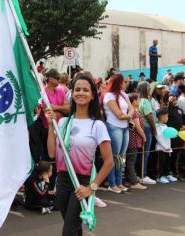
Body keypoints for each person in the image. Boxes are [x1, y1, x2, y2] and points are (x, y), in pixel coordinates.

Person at [45, 75, 113, 236]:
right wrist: (50, 127)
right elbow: (52, 153)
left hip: (82, 182)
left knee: (68, 231)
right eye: (77, 89)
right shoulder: (62, 123)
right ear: (72, 93)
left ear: (92, 95)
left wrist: (91, 188)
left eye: (85, 90)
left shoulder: (97, 125)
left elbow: (109, 160)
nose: (80, 93)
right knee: (73, 227)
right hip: (62, 181)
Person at [102, 74, 133, 193]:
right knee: (114, 157)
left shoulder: (123, 94)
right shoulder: (109, 96)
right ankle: (112, 183)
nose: (126, 83)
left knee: (121, 157)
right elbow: (118, 115)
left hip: (124, 127)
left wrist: (128, 116)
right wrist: (129, 116)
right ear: (118, 83)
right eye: (124, 81)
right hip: (114, 127)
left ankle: (119, 182)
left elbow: (131, 108)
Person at [137, 82, 157, 184]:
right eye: (149, 87)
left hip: (138, 127)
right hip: (146, 128)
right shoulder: (145, 101)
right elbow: (149, 116)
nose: (150, 89)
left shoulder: (138, 100)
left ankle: (139, 174)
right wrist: (154, 128)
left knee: (140, 153)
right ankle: (143, 175)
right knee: (145, 153)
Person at [126, 93, 147, 190]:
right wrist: (144, 136)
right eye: (138, 100)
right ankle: (133, 181)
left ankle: (130, 179)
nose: (139, 102)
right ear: (133, 101)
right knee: (131, 160)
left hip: (134, 139)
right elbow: (138, 127)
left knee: (131, 160)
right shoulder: (133, 112)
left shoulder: (134, 111)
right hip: (133, 139)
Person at [154, 109, 177, 184]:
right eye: (167, 116)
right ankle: (159, 176)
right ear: (162, 117)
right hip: (161, 148)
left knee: (167, 162)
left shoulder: (166, 126)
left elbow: (168, 135)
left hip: (168, 148)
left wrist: (173, 135)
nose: (168, 118)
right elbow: (158, 137)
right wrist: (164, 146)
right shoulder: (157, 126)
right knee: (161, 163)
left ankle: (166, 174)